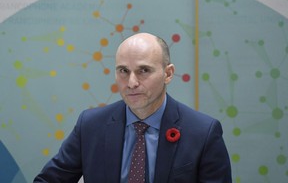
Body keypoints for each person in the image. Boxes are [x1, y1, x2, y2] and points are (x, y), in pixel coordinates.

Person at [34, 32, 232, 183]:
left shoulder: (203, 133)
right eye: (123, 71)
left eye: (143, 70)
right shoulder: (90, 125)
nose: (131, 82)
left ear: (168, 74)